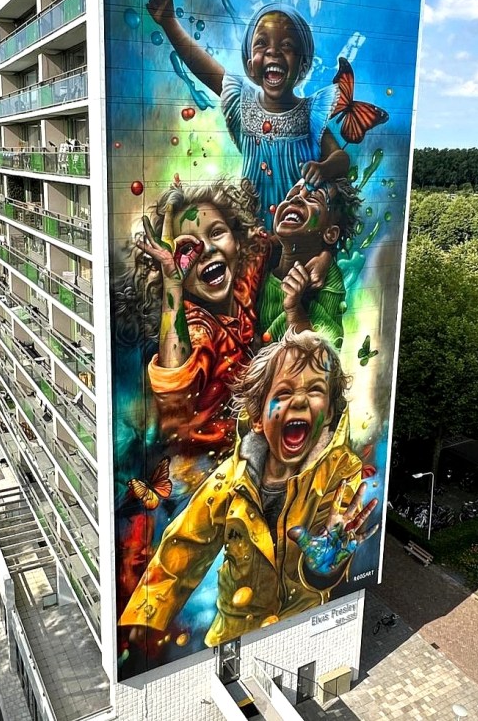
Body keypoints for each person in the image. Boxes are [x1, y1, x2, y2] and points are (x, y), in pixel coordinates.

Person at [119, 329, 378, 646]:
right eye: (284, 393)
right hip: (233, 636)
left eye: (314, 390)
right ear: (257, 418)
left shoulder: (341, 473)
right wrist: (143, 620)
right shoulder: (232, 478)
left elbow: (332, 553)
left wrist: (323, 570)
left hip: (300, 628)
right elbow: (183, 546)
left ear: (329, 415)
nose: (299, 400)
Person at [146, 0, 351, 226]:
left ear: (303, 66)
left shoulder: (309, 114)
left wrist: (324, 168)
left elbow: (341, 158)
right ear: (250, 65)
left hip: (299, 227)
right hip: (254, 229)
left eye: (287, 45)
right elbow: (203, 66)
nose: (273, 51)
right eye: (262, 43)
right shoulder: (242, 103)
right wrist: (170, 24)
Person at [114, 178, 268, 454]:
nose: (206, 249)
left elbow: (265, 247)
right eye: (187, 248)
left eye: (217, 233)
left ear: (238, 242)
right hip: (209, 466)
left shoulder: (242, 285)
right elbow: (175, 384)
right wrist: (172, 281)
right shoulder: (198, 326)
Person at [257, 176, 360, 350]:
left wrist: (294, 309)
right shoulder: (263, 256)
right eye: (290, 196)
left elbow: (326, 350)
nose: (296, 199)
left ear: (330, 234)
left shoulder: (328, 280)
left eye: (313, 198)